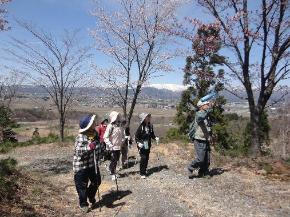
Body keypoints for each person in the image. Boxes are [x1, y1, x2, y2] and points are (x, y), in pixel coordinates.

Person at [73, 114, 103, 213]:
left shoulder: (95, 134)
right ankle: (83, 204)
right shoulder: (81, 137)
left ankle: (90, 195)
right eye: (93, 122)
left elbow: (98, 147)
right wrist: (89, 147)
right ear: (88, 124)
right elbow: (78, 152)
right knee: (82, 186)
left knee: (97, 181)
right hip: (81, 166)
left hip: (92, 163)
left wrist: (103, 151)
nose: (95, 123)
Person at [187, 100, 214, 178]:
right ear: (201, 106)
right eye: (207, 104)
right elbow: (202, 117)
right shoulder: (198, 114)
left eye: (208, 104)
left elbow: (208, 128)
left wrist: (210, 136)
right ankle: (190, 168)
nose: (208, 105)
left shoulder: (207, 115)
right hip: (199, 139)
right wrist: (210, 108)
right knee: (200, 159)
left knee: (207, 160)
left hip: (206, 139)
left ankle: (203, 172)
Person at [135, 113, 159, 179]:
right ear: (144, 119)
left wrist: (155, 138)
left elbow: (152, 134)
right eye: (147, 117)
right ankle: (142, 172)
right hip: (142, 144)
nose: (149, 118)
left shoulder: (150, 126)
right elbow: (136, 137)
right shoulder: (141, 127)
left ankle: (144, 170)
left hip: (147, 144)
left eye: (149, 117)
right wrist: (138, 143)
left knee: (147, 157)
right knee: (143, 158)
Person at [104, 111, 125, 181]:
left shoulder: (119, 126)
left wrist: (122, 141)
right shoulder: (110, 126)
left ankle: (112, 170)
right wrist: (110, 145)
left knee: (116, 160)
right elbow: (105, 137)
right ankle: (113, 173)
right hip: (112, 147)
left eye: (118, 116)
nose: (118, 118)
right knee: (114, 160)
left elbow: (122, 136)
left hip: (118, 147)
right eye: (117, 116)